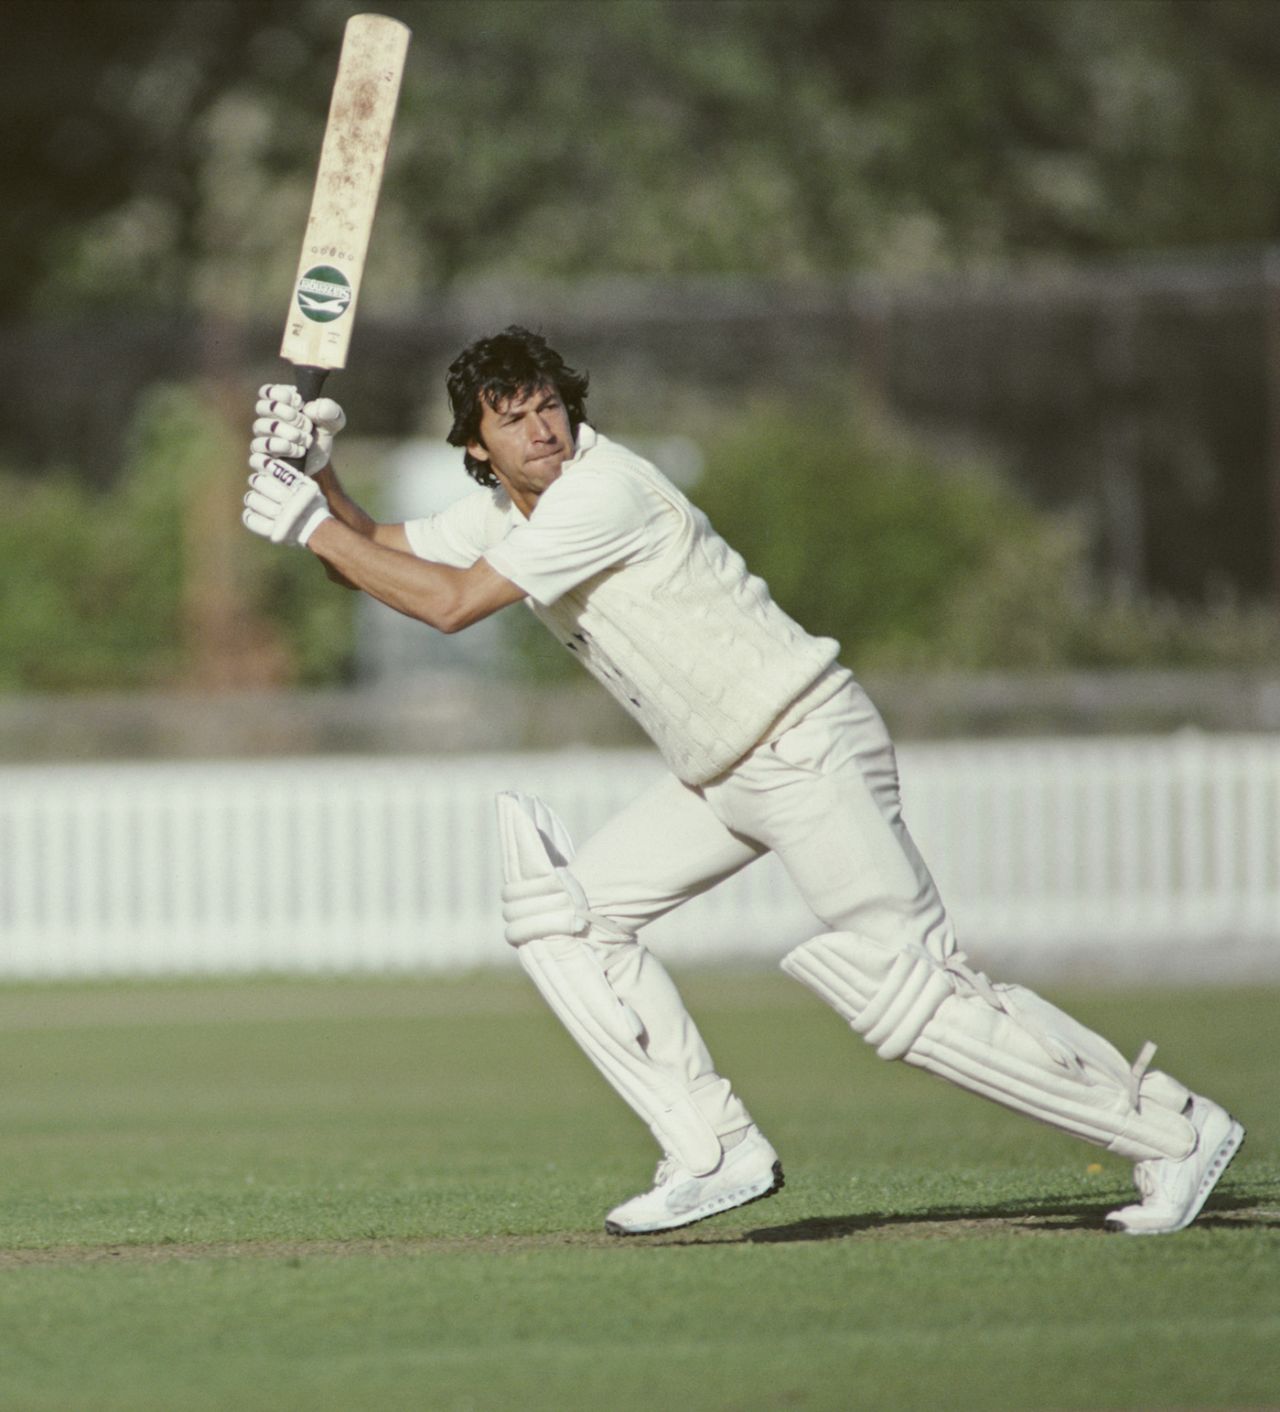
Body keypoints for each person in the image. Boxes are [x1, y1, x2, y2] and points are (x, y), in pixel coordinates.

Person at [242, 326, 1244, 1237]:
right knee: (562, 916)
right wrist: (323, 484)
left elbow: (452, 605)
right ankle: (712, 1149)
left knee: (907, 991)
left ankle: (1171, 1130)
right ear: (478, 448)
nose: (542, 427)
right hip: (720, 769)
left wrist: (306, 524)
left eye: (550, 404)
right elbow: (382, 558)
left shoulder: (602, 489)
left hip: (801, 740)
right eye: (513, 417)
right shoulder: (503, 512)